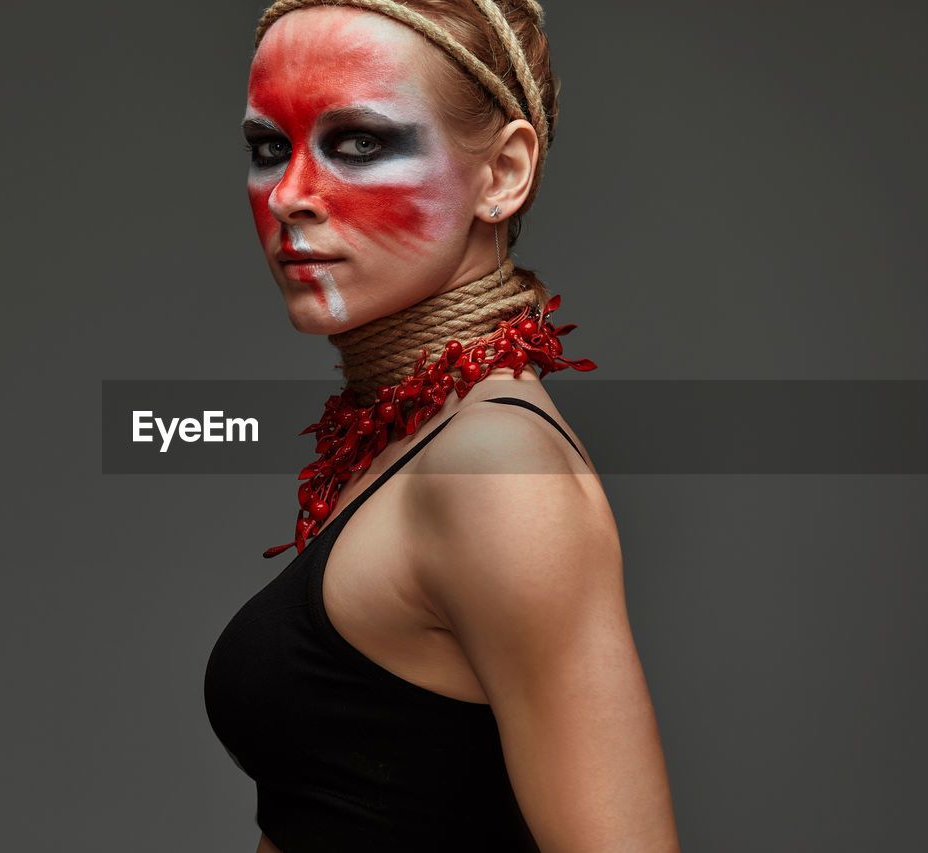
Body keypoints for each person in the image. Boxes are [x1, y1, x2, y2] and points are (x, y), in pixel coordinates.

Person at [204, 1, 681, 850]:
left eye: (359, 144)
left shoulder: (494, 468)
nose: (287, 195)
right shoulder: (413, 434)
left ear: (503, 173)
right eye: (268, 147)